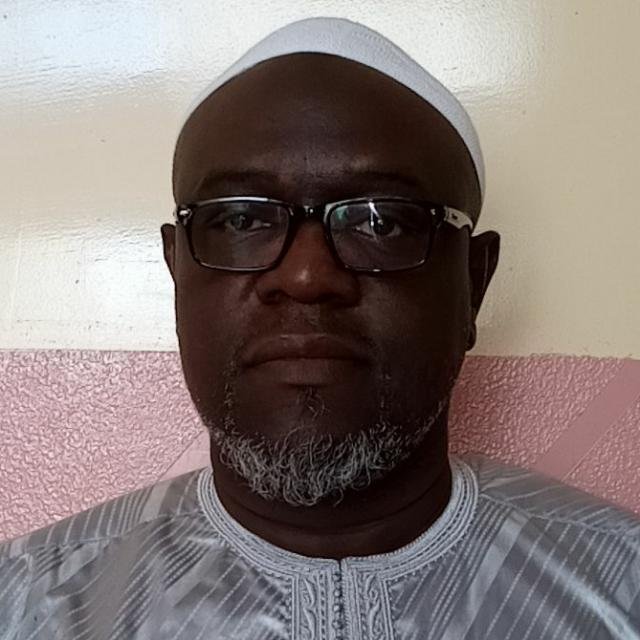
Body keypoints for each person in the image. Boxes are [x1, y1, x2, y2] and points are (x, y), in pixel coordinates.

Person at [1, 17, 639, 640]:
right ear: (177, 274)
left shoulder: (623, 586)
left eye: (380, 221)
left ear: (474, 282)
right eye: (241, 220)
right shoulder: (25, 603)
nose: (307, 276)